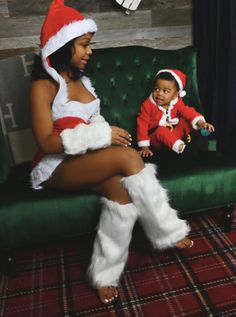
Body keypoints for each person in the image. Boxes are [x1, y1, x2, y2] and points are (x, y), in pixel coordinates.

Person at [30, 0, 194, 305]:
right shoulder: (43, 86)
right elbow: (47, 143)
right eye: (83, 45)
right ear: (64, 46)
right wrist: (104, 135)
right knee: (128, 157)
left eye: (89, 44)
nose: (90, 51)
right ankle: (167, 229)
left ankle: (104, 274)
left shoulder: (84, 82)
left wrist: (106, 133)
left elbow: (95, 121)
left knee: (122, 192)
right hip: (55, 165)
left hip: (84, 159)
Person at [137, 69, 215, 158]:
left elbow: (188, 111)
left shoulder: (177, 103)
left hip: (173, 135)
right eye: (156, 89)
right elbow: (142, 125)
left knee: (186, 120)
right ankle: (183, 149)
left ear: (175, 95)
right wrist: (144, 147)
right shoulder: (147, 105)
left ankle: (197, 139)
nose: (159, 94)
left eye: (165, 91)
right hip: (156, 138)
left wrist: (201, 123)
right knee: (161, 130)